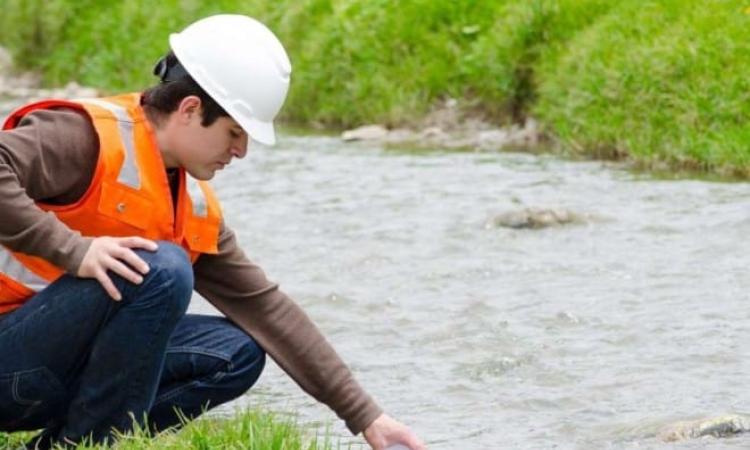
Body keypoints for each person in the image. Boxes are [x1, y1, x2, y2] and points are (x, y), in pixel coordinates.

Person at [0, 14, 425, 450]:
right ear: (190, 110)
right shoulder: (80, 138)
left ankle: (76, 445)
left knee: (237, 350)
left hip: (49, 372)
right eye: (234, 133)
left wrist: (367, 417)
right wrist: (74, 250)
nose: (240, 151)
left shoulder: (192, 205)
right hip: (7, 361)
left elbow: (267, 310)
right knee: (164, 270)